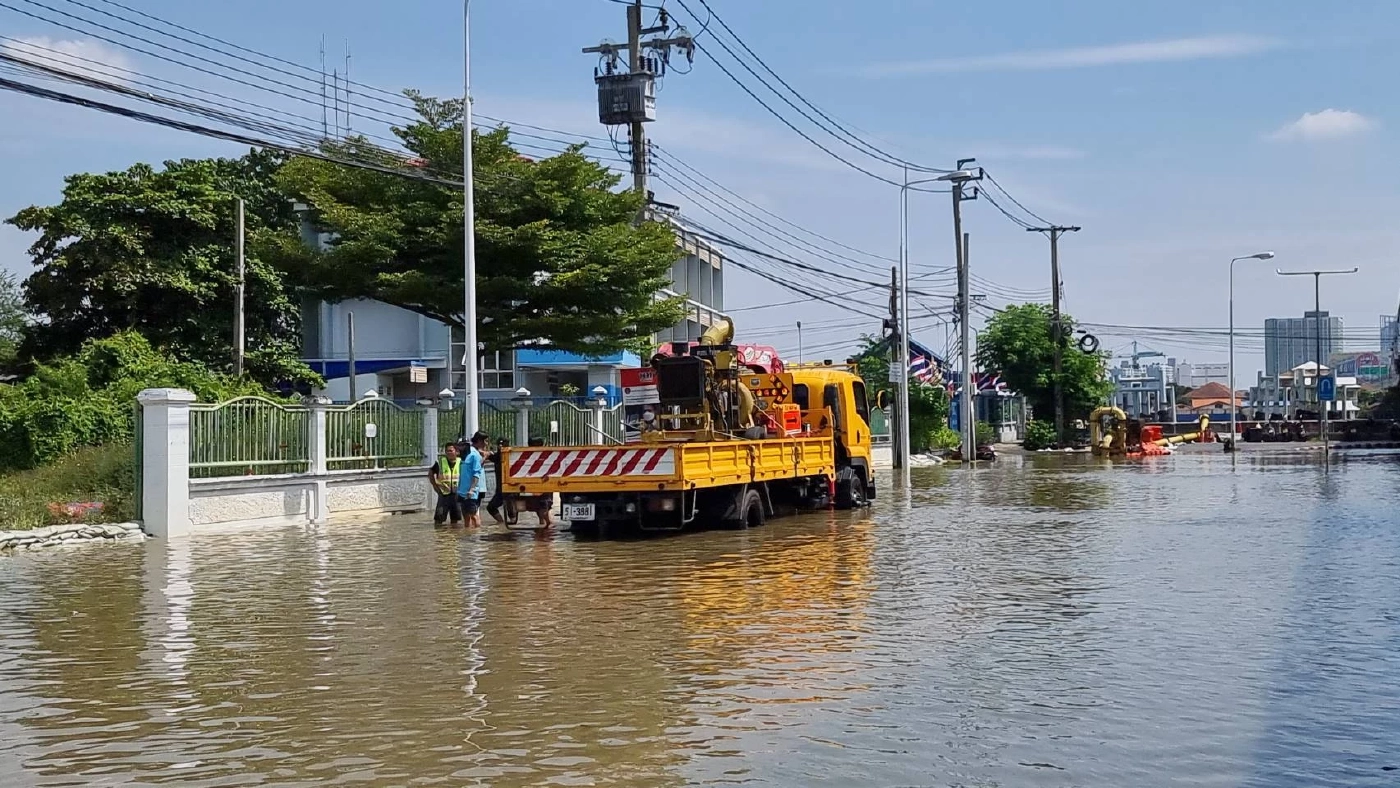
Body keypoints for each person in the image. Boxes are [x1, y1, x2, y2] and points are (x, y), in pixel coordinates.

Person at [457, 431, 489, 528]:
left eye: (463, 445)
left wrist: (472, 489)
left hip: (472, 492)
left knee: (474, 515)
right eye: (459, 445)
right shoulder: (462, 457)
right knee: (466, 516)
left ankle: (476, 536)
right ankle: (468, 534)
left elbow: (476, 473)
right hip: (462, 491)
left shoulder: (474, 455)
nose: (461, 447)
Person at [427, 442, 463, 526]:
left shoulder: (461, 462)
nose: (449, 453)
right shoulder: (440, 462)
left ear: (456, 451)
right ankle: (440, 537)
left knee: (456, 519)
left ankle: (454, 537)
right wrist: (434, 486)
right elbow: (430, 472)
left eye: (451, 451)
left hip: (457, 494)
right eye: (447, 451)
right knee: (439, 519)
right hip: (444, 494)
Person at [526, 437, 554, 529]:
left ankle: (546, 525)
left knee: (542, 507)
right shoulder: (545, 455)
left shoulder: (526, 456)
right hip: (541, 485)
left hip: (540, 485)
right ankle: (546, 525)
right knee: (542, 507)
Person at [485, 437, 508, 524]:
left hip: (512, 490)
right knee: (491, 507)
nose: (500, 446)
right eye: (499, 444)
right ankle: (501, 523)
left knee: (512, 512)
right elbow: (487, 455)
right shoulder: (497, 456)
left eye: (503, 444)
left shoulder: (513, 457)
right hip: (501, 490)